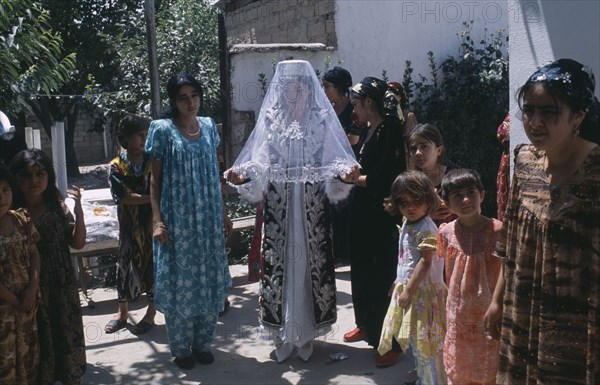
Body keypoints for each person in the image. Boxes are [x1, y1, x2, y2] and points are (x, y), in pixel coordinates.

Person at [225, 60, 359, 363]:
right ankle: (283, 334)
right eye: (288, 86)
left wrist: (343, 173)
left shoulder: (321, 119)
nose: (293, 91)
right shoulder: (272, 119)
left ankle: (307, 334)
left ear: (309, 88)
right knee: (281, 269)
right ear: (281, 89)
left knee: (309, 269)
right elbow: (259, 161)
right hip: (279, 208)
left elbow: (333, 158)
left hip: (312, 208)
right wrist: (243, 176)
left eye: (299, 86)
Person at [484, 58, 600, 384]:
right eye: (529, 110)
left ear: (578, 116)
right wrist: (496, 301)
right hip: (523, 313)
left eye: (549, 112)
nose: (535, 122)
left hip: (580, 324)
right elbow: (512, 243)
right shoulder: (524, 161)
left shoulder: (595, 172)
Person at [145, 72, 232, 370]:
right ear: (173, 101)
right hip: (177, 221)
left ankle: (203, 342)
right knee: (181, 283)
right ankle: (181, 349)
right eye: (183, 97)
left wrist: (222, 212)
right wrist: (157, 220)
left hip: (207, 221)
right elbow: (154, 181)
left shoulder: (208, 127)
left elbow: (213, 174)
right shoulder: (162, 130)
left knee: (207, 279)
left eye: (194, 95)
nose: (190, 102)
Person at [341, 76, 406, 367]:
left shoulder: (390, 128)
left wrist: (357, 179)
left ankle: (390, 342)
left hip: (380, 211)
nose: (353, 109)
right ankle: (366, 323)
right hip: (362, 209)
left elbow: (387, 176)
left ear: (369, 102)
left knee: (381, 275)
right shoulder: (369, 127)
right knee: (362, 269)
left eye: (356, 103)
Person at [10, 149, 87, 385]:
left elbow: (77, 242)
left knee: (63, 326)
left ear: (48, 176)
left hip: (61, 282)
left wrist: (79, 210)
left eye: (39, 174)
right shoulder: (12, 213)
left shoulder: (56, 205)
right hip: (28, 284)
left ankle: (68, 374)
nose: (34, 181)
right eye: (27, 175)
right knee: (37, 332)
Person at [378, 170, 447, 383]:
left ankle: (430, 381)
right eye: (404, 202)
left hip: (423, 296)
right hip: (412, 291)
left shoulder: (426, 228)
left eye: (417, 201)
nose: (411, 207)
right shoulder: (409, 222)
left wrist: (408, 289)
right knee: (417, 344)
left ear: (428, 200)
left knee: (425, 343)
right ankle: (423, 379)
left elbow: (426, 262)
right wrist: (398, 282)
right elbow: (406, 259)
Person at [438, 168, 502, 385]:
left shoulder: (498, 232)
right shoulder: (446, 233)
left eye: (471, 192)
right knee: (460, 370)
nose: (466, 199)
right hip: (459, 316)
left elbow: (508, 270)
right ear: (445, 202)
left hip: (490, 313)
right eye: (457, 195)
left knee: (490, 368)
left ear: (482, 195)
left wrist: (498, 304)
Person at [104, 115, 155, 334]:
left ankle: (151, 313)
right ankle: (122, 312)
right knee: (124, 266)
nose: (145, 139)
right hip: (128, 227)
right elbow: (124, 197)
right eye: (140, 135)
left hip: (153, 225)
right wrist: (154, 198)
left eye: (146, 134)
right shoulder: (116, 166)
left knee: (154, 268)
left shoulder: (154, 161)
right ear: (126, 139)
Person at [0, 161, 41, 385]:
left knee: (27, 361)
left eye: (5, 190)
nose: (2, 197)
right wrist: (15, 299)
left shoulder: (22, 219)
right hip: (5, 311)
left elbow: (34, 254)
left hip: (26, 306)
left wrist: (32, 289)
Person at [322, 66, 358, 266]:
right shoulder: (327, 109)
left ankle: (349, 253)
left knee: (347, 209)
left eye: (327, 86)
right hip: (330, 166)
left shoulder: (353, 109)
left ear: (339, 87)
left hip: (349, 168)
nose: (324, 90)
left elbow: (353, 139)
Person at [407, 123, 455, 225]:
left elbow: (474, 208)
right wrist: (427, 214)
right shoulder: (411, 183)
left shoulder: (454, 178)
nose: (418, 153)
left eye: (424, 147)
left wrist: (452, 208)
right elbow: (404, 219)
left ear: (439, 150)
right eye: (413, 149)